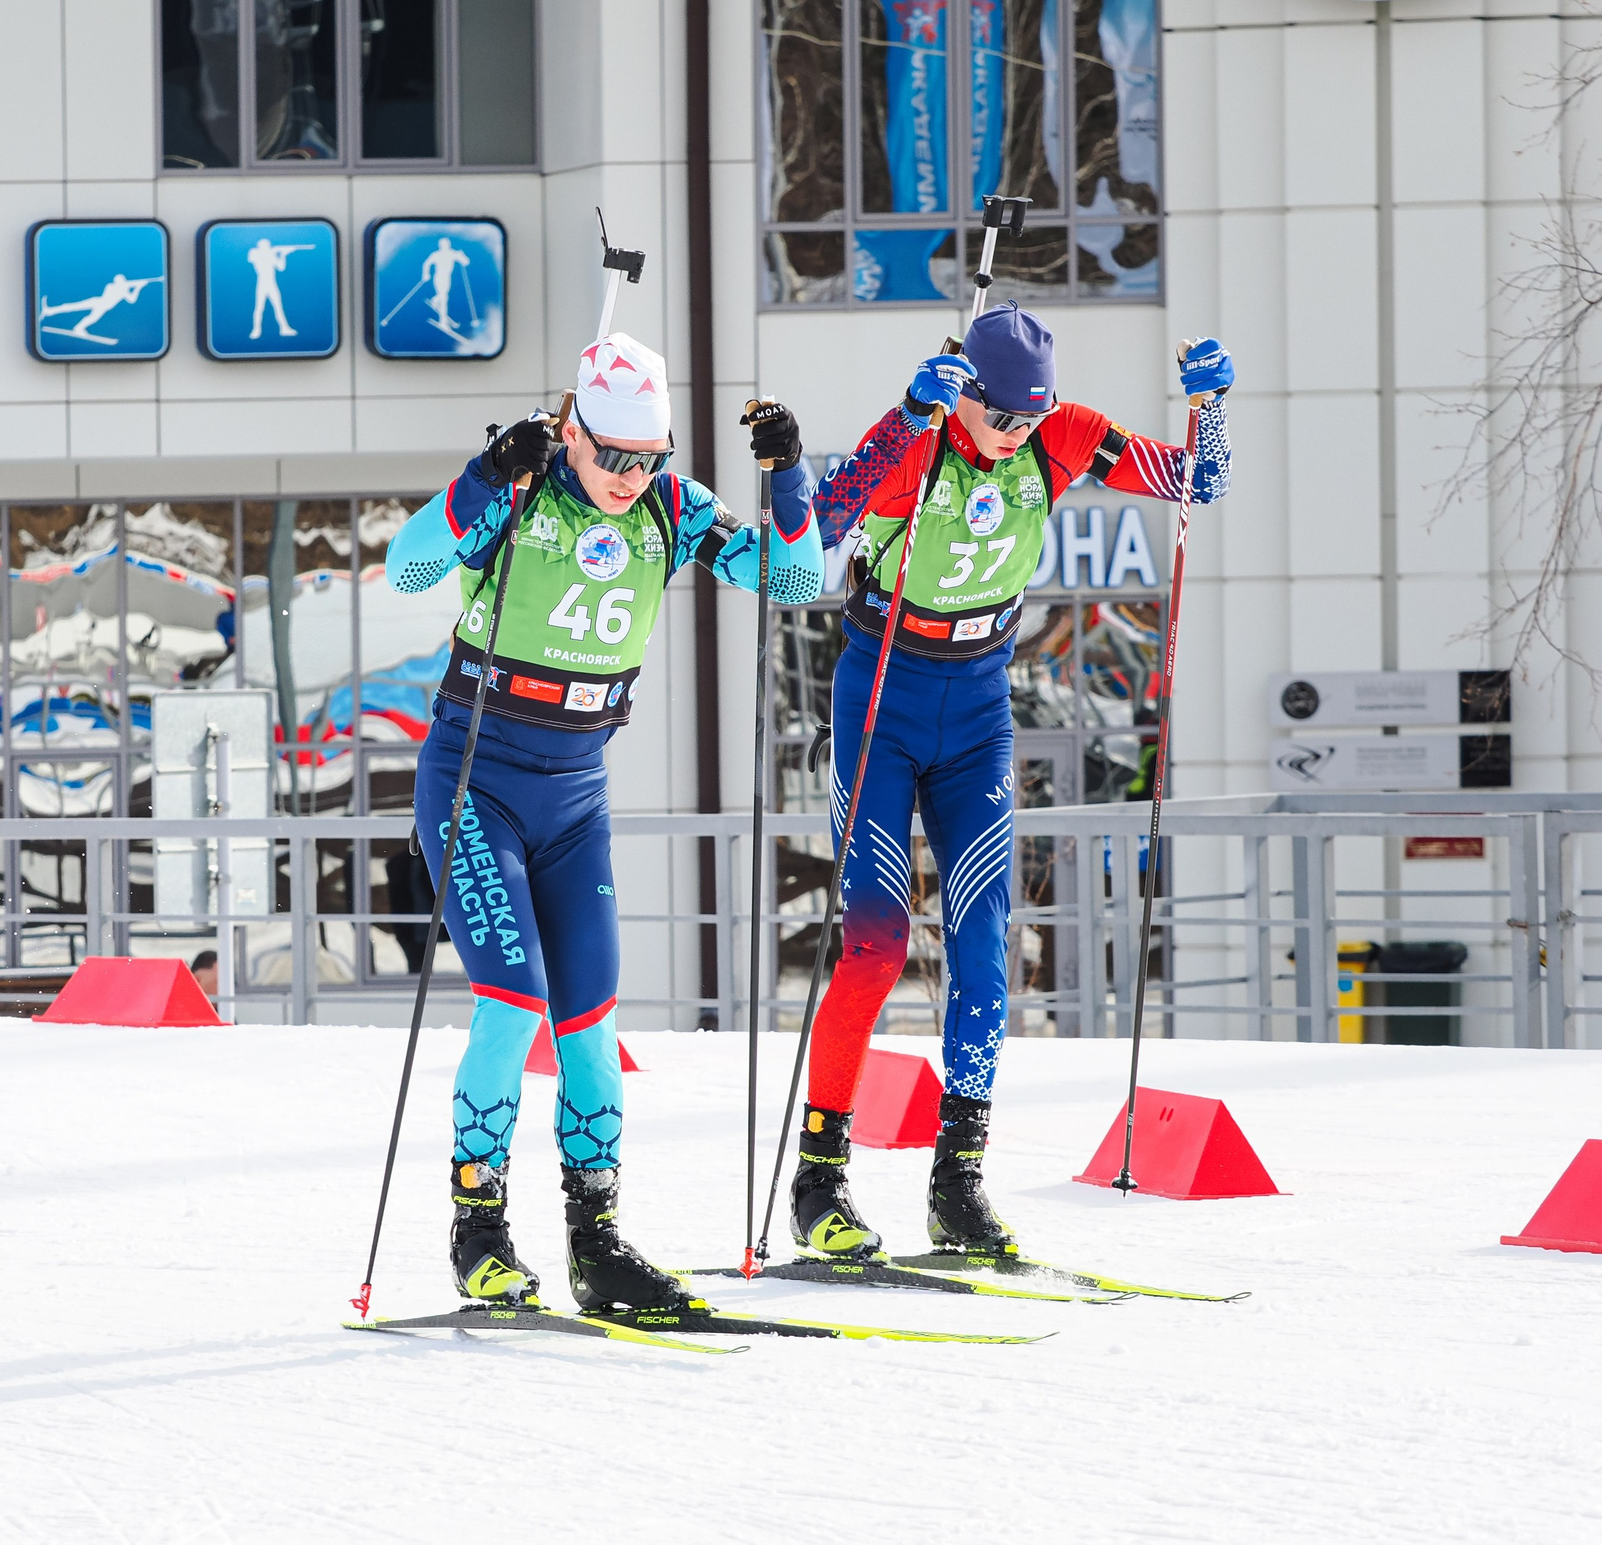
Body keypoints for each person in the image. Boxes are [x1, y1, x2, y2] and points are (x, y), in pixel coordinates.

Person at [386, 332, 825, 1312]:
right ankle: (479, 1232)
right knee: (512, 1004)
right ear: (571, 432)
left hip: (575, 797)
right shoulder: (521, 487)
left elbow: (793, 584)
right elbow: (406, 571)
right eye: (613, 456)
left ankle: (596, 1241)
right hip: (474, 781)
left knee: (588, 1025)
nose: (630, 477)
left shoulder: (671, 507)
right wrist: (479, 480)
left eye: (649, 457)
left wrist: (789, 479)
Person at [791, 307, 1233, 1260]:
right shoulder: (929, 438)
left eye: (1029, 423)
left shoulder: (1062, 434)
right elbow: (819, 521)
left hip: (980, 699)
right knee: (872, 937)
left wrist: (1213, 406)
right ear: (970, 394)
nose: (1015, 438)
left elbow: (1201, 480)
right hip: (882, 689)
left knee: (986, 940)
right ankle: (819, 1179)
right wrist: (906, 420)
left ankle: (959, 1180)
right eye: (1001, 420)